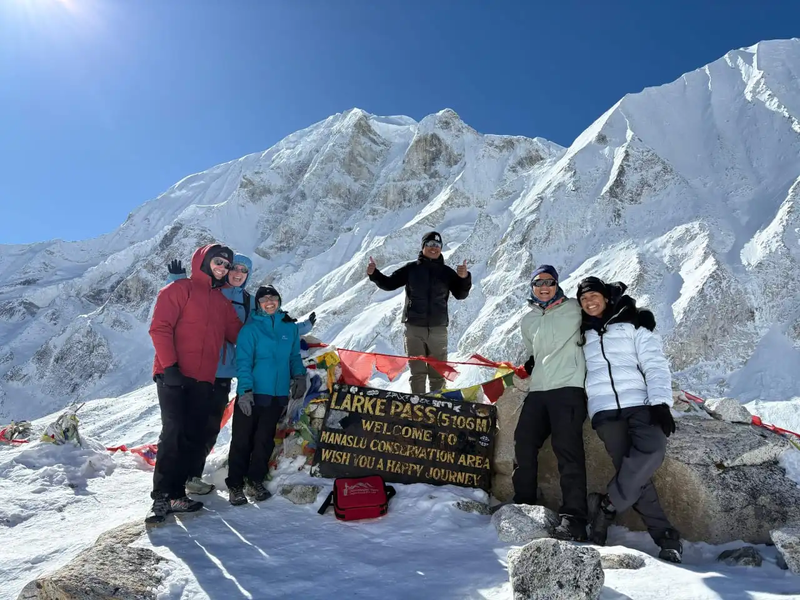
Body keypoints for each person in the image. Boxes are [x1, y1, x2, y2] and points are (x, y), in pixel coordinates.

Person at [165, 255, 316, 495]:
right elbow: (191, 302)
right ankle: (174, 484)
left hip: (224, 373)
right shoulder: (213, 291)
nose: (237, 272)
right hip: (199, 369)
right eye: (233, 268)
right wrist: (179, 282)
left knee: (211, 428)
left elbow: (273, 329)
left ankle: (193, 476)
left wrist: (301, 328)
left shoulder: (247, 301)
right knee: (187, 426)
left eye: (244, 270)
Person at [577, 276, 682, 563]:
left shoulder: (634, 323)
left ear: (606, 297)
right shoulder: (580, 333)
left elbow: (655, 362)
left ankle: (607, 506)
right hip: (605, 411)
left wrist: (660, 402)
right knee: (634, 475)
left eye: (594, 296)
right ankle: (666, 537)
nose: (589, 302)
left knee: (652, 451)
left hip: (641, 404)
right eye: (584, 299)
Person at [147, 244, 243, 524]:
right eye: (218, 261)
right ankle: (162, 496)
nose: (223, 267)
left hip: (204, 379)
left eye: (227, 264)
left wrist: (280, 333)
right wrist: (170, 367)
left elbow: (239, 334)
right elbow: (159, 328)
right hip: (173, 374)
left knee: (191, 435)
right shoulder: (179, 290)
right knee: (174, 431)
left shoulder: (221, 302)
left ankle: (177, 493)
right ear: (203, 261)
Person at [515, 265, 588, 541]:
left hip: (568, 388)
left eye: (549, 282)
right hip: (539, 390)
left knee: (567, 450)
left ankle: (575, 518)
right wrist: (532, 361)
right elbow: (534, 351)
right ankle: (523, 503)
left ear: (557, 285)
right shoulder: (528, 320)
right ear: (532, 287)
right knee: (523, 442)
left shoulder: (574, 308)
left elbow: (600, 309)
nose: (544, 286)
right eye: (538, 282)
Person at [227, 285, 307, 505]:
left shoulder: (288, 328)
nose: (269, 302)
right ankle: (235, 485)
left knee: (264, 441)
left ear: (279, 301)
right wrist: (245, 392)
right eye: (264, 299)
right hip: (252, 394)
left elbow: (293, 356)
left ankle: (255, 480)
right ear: (259, 304)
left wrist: (299, 376)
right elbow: (243, 363)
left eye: (273, 298)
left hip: (277, 394)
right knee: (242, 440)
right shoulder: (250, 330)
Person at [367, 231, 471, 394]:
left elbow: (461, 294)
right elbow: (389, 284)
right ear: (423, 247)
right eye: (430, 244)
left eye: (437, 245)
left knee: (438, 373)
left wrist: (464, 278)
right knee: (417, 373)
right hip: (414, 328)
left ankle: (437, 407)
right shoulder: (411, 269)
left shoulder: (447, 272)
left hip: (438, 329)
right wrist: (374, 274)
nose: (433, 248)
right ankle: (418, 407)